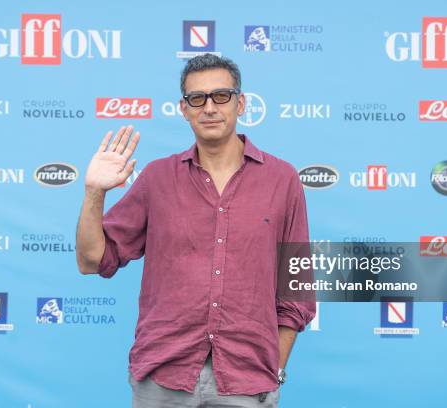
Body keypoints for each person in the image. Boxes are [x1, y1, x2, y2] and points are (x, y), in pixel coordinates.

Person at [76, 53, 316, 408]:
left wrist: (273, 369)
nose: (209, 107)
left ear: (241, 103)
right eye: (196, 99)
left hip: (247, 382)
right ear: (183, 109)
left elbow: (296, 288)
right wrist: (95, 193)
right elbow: (92, 260)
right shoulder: (158, 178)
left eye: (221, 96)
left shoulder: (282, 179)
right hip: (163, 377)